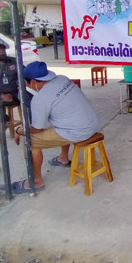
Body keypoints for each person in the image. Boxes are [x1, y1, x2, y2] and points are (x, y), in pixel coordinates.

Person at [12, 62, 99, 194]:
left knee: (29, 140)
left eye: (26, 82)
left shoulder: (40, 99)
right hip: (92, 123)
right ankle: (63, 159)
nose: (26, 85)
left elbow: (37, 128)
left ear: (34, 81)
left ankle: (36, 181)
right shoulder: (62, 78)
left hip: (78, 131)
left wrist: (19, 130)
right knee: (59, 121)